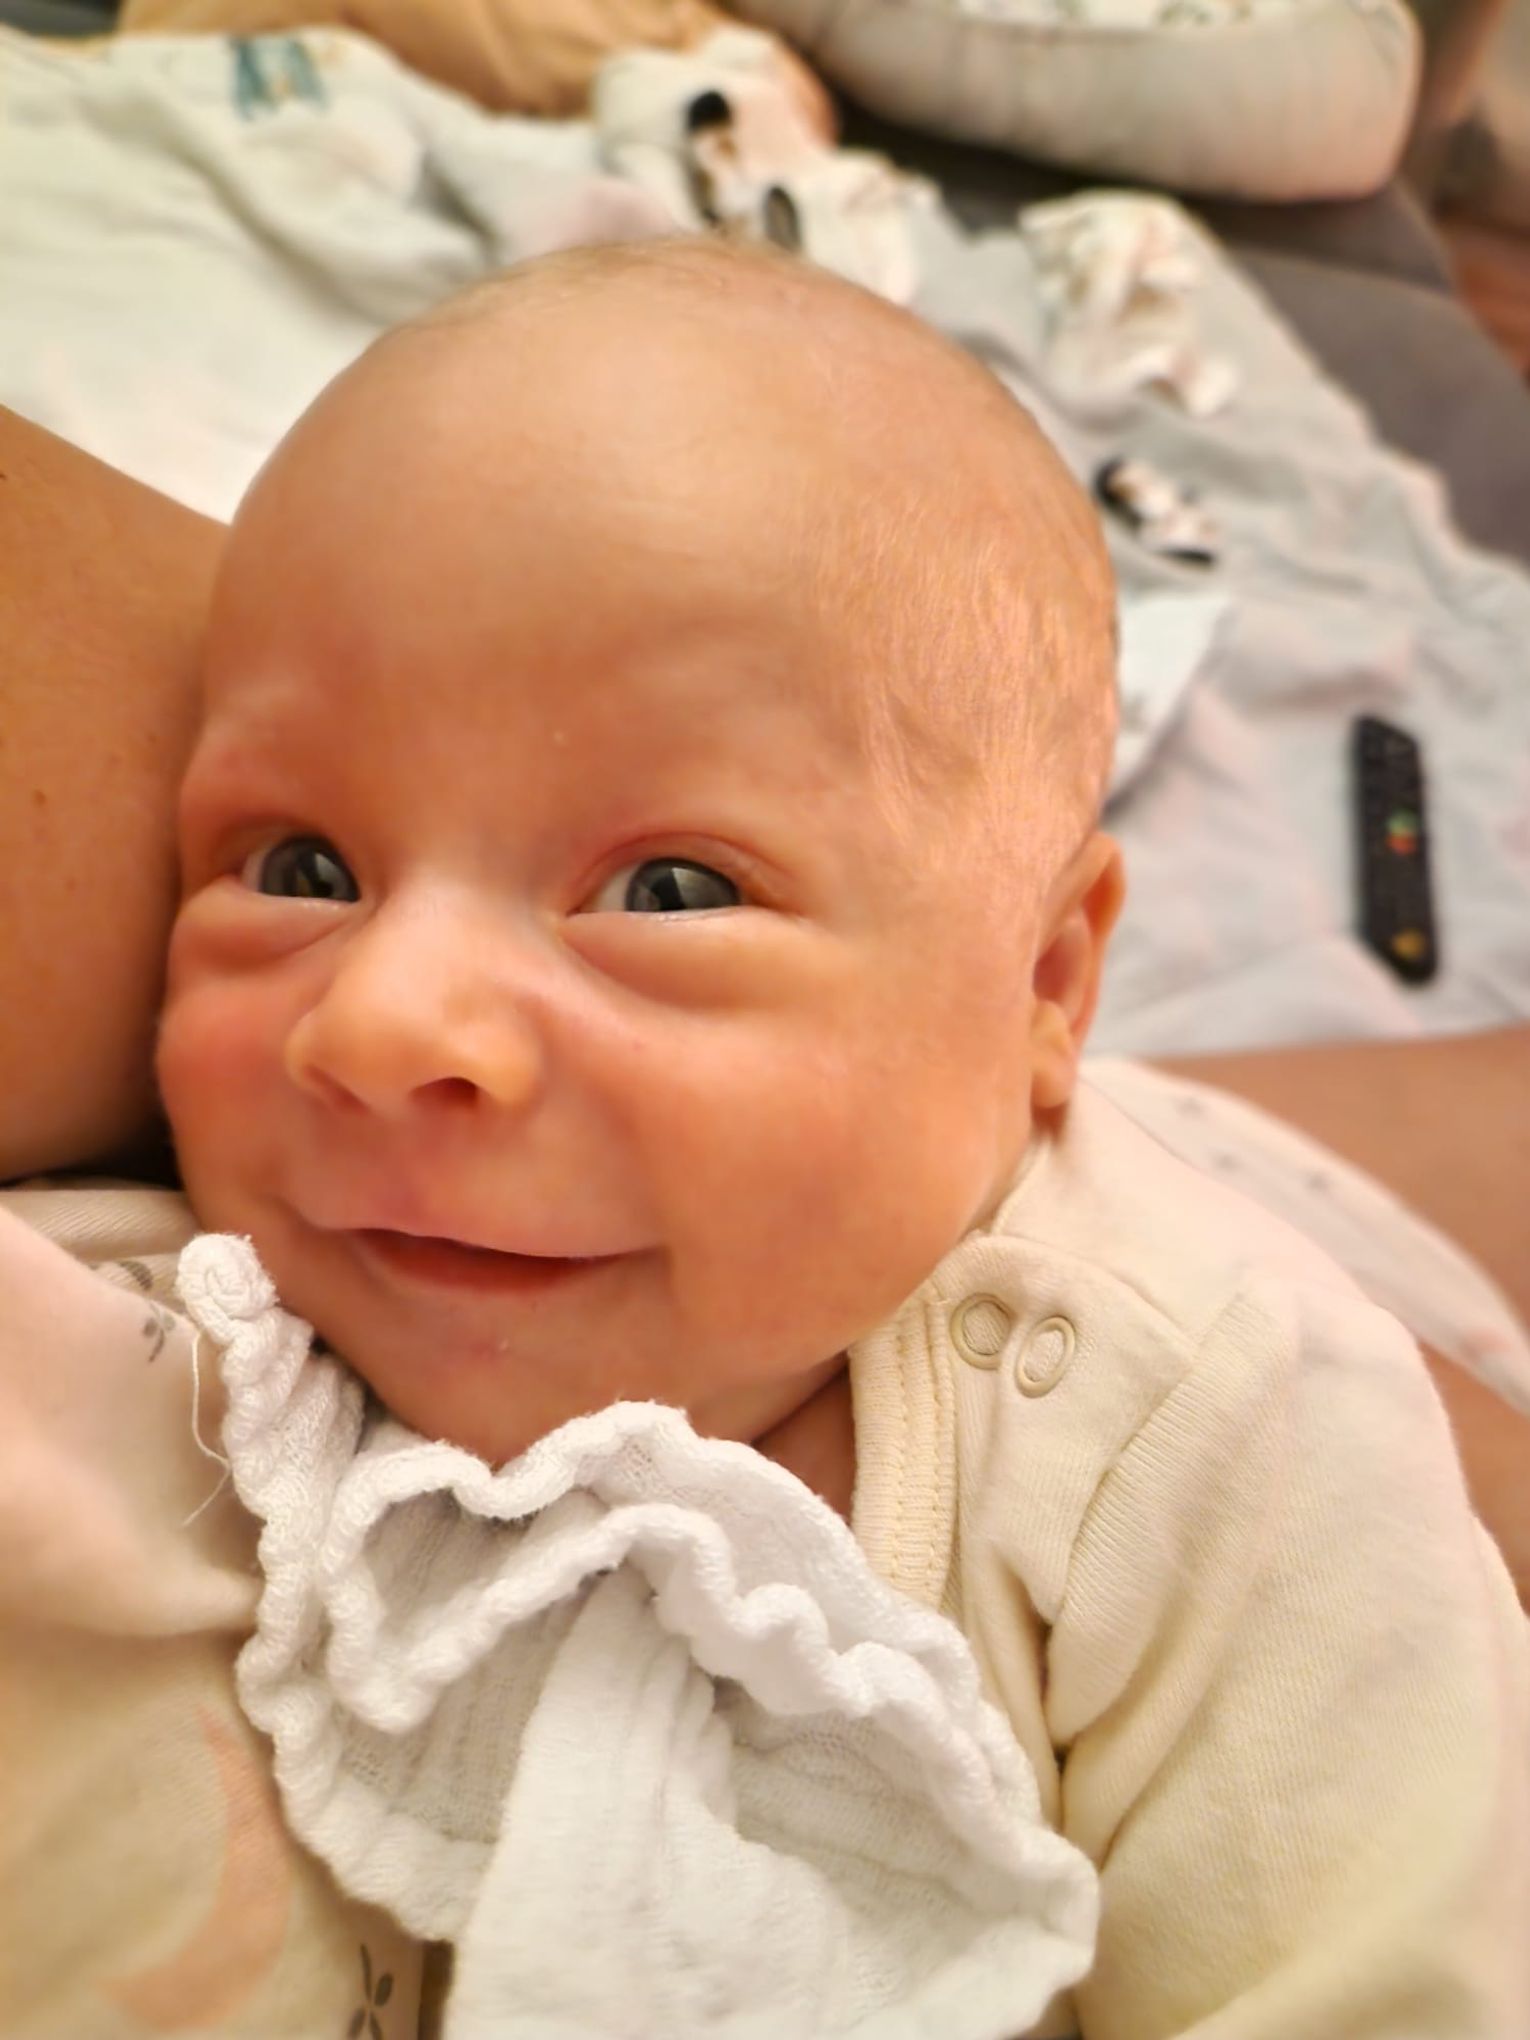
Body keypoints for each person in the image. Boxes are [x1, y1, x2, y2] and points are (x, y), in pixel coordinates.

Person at [3, 242, 1528, 2035]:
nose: (383, 1025)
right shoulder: (183, 1326)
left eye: (666, 890)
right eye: (300, 867)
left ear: (1043, 979)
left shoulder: (1216, 1442)